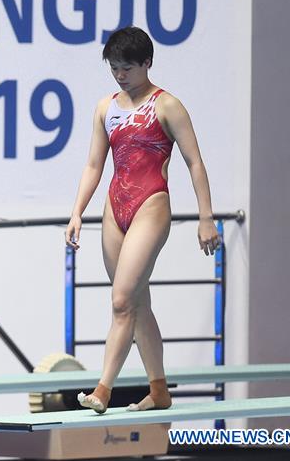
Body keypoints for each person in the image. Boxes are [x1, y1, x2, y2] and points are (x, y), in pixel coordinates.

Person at [64, 26, 219, 413]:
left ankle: (103, 389)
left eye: (127, 68)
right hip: (114, 208)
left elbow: (195, 162)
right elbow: (94, 165)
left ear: (147, 63)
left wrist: (206, 218)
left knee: (121, 302)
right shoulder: (106, 108)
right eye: (114, 68)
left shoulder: (167, 106)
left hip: (151, 204)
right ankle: (159, 390)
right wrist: (77, 212)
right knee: (137, 303)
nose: (120, 75)